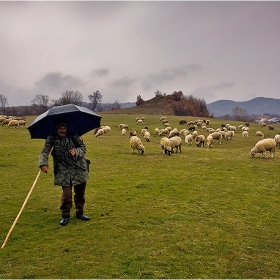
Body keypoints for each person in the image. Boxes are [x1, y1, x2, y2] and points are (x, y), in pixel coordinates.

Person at [39, 119, 90, 226]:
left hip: (78, 168)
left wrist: (76, 151)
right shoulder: (51, 139)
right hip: (63, 170)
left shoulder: (73, 136)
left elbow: (83, 148)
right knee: (67, 194)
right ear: (56, 129)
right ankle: (65, 215)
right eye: (60, 128)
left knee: (80, 192)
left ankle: (80, 212)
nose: (62, 130)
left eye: (64, 128)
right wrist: (43, 163)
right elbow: (45, 151)